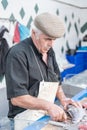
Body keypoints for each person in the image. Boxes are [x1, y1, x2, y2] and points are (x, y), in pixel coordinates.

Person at [5, 12, 81, 127]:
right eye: (48, 39)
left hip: (44, 115)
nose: (51, 44)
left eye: (54, 39)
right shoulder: (18, 54)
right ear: (34, 33)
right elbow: (17, 99)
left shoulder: (49, 52)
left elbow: (56, 81)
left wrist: (63, 99)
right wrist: (49, 106)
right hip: (24, 120)